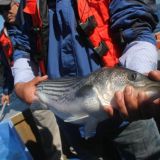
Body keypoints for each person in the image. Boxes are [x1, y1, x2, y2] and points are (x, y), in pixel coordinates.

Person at [6, 0, 160, 159]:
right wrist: (22, 81)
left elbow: (136, 24)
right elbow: (22, 46)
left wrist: (139, 72)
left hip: (127, 121)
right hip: (71, 124)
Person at [0, 1, 64, 160]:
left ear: (17, 2)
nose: (5, 13)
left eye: (7, 7)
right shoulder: (11, 29)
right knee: (40, 113)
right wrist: (10, 88)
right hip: (36, 82)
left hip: (58, 75)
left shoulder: (41, 9)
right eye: (0, 10)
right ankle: (56, 156)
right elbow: (14, 58)